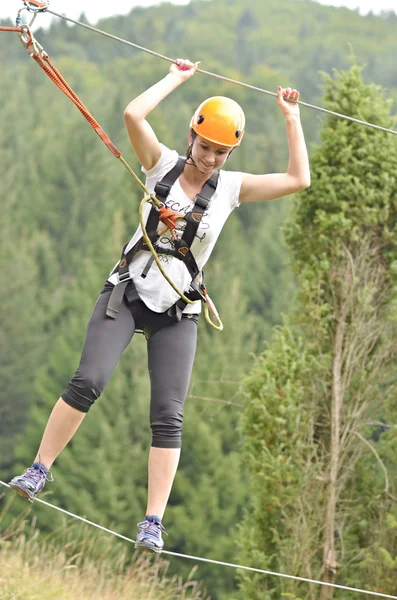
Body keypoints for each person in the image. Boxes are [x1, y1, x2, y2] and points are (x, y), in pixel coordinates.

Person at [8, 58, 310, 553]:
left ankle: (152, 522)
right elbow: (132, 115)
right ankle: (39, 470)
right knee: (89, 380)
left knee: (168, 414)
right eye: (206, 146)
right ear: (192, 136)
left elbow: (299, 179)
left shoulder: (232, 190)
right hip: (126, 293)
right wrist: (176, 78)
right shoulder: (160, 163)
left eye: (222, 151)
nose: (211, 158)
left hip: (178, 309)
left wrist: (291, 117)